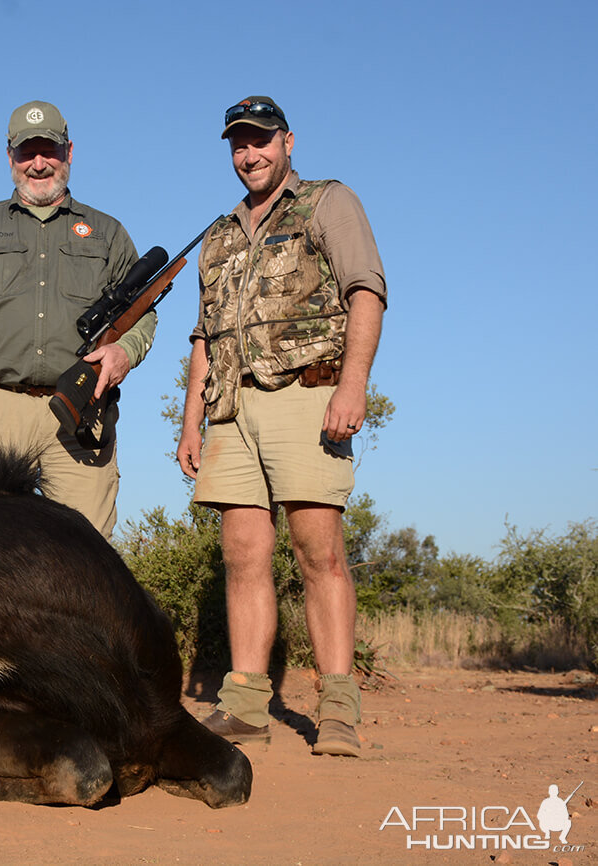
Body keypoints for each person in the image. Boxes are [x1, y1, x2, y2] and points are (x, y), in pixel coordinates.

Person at [176, 96, 387, 757]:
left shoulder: (328, 201)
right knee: (242, 556)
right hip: (231, 411)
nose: (250, 154)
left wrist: (352, 385)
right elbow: (204, 334)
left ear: (287, 141)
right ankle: (244, 705)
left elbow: (366, 290)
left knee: (318, 553)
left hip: (307, 394)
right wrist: (192, 421)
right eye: (238, 143)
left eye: (260, 140)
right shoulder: (216, 233)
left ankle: (336, 710)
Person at [0, 100, 156, 539]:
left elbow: (143, 315)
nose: (39, 163)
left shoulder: (109, 232)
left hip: (83, 409)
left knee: (88, 554)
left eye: (50, 150)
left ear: (69, 153)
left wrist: (126, 350)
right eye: (28, 152)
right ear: (10, 157)